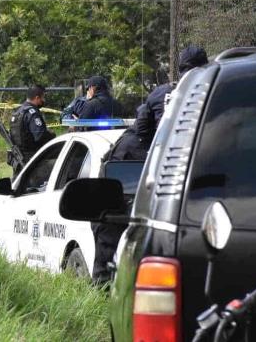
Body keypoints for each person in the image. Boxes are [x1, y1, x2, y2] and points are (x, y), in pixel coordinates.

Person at [90, 46, 209, 286]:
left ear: (180, 69)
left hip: (133, 157)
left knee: (112, 217)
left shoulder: (163, 92)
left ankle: (105, 282)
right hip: (158, 160)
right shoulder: (212, 91)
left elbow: (143, 126)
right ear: (205, 67)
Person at [9, 85, 56, 176]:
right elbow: (40, 136)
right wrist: (51, 135)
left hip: (20, 159)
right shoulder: (32, 113)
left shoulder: (18, 112)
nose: (44, 100)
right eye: (43, 97)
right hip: (34, 159)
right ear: (37, 98)